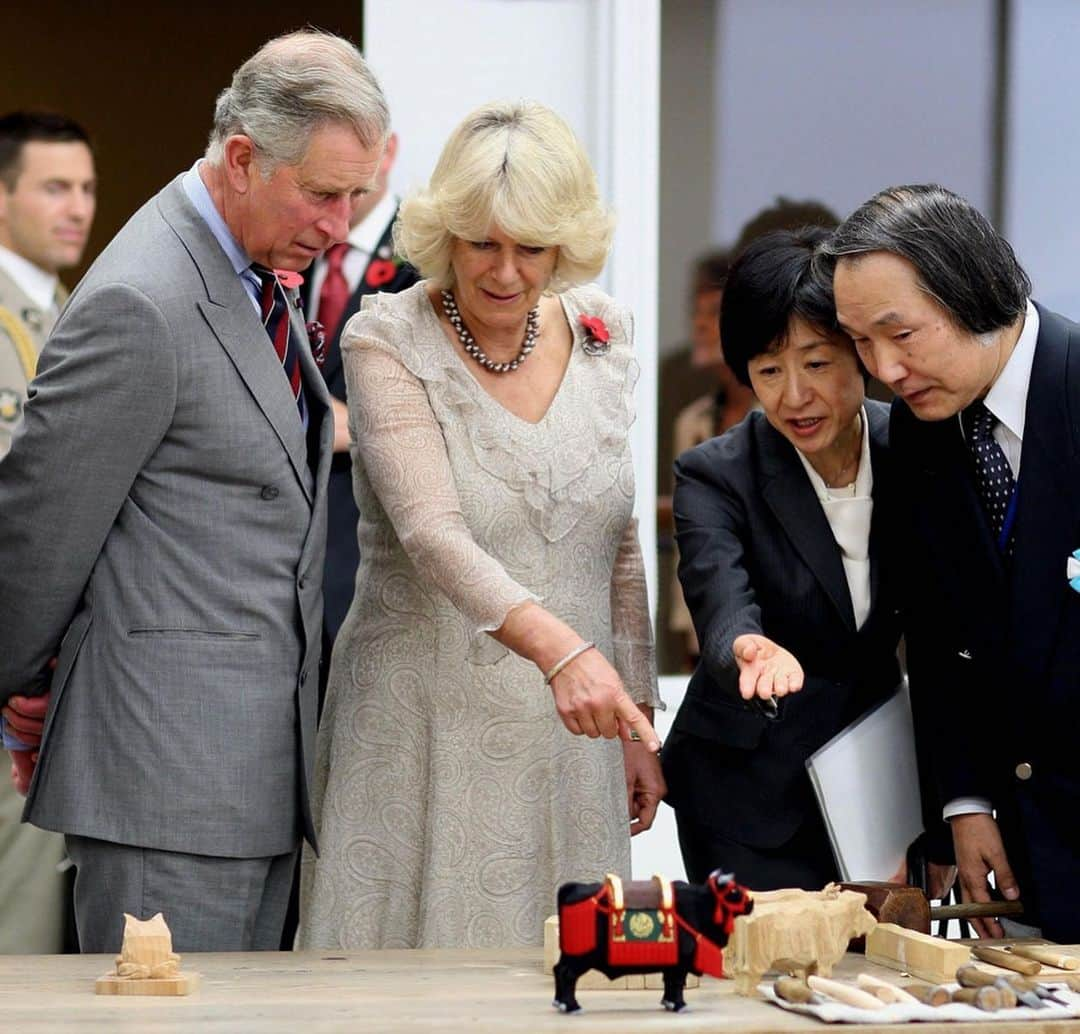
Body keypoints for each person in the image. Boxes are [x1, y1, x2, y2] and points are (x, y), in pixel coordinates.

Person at [0, 30, 388, 953]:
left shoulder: (254, 266)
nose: (340, 225)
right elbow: (39, 528)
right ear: (244, 159)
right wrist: (21, 687)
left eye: (355, 197)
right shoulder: (146, 297)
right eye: (322, 194)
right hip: (163, 790)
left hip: (250, 775)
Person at [300, 100, 663, 950]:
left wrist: (639, 713)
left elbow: (615, 538)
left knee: (564, 979)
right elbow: (431, 533)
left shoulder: (607, 335)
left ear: (563, 246)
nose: (504, 271)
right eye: (481, 243)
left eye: (531, 247)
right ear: (446, 236)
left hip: (574, 729)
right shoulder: (386, 337)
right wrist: (565, 652)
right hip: (422, 727)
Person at [828, 184, 1080, 941]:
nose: (885, 370)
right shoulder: (921, 436)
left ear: (973, 290)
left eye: (899, 334)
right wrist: (963, 803)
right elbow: (939, 636)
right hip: (1024, 876)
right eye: (861, 345)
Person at [663, 228, 907, 890]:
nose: (794, 396)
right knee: (762, 976)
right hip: (747, 791)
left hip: (879, 785)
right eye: (769, 370)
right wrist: (748, 645)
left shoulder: (916, 451)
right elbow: (718, 592)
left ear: (860, 354)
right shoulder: (716, 473)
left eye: (817, 363)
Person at [0, 110, 96, 954]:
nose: (78, 207)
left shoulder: (73, 312)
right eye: (54, 187)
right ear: (1, 198)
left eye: (88, 188)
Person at [302, 128, 419, 651]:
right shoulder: (288, 252)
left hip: (375, 560)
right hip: (287, 563)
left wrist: (365, 425)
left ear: (389, 150)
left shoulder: (426, 261)